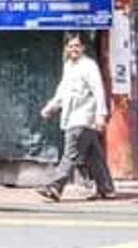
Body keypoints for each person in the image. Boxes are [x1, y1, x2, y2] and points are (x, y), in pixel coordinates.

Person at [38, 33, 115, 202]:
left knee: (70, 154)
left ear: (83, 48)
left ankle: (55, 187)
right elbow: (62, 92)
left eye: (77, 46)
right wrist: (50, 107)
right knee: (93, 155)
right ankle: (106, 188)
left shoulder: (89, 66)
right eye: (71, 46)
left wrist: (101, 114)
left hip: (83, 117)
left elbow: (98, 90)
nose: (74, 49)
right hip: (72, 117)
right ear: (66, 48)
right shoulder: (68, 67)